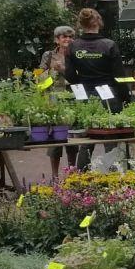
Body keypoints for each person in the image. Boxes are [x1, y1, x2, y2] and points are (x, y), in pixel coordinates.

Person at [66, 8, 123, 168]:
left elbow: (70, 76)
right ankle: (113, 174)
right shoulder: (109, 45)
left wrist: (83, 83)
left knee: (86, 140)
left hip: (85, 96)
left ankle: (81, 175)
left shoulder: (73, 47)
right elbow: (119, 76)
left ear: (81, 24)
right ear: (98, 22)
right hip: (108, 96)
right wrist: (124, 98)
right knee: (110, 138)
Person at [37, 25, 76, 179]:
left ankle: (72, 175)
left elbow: (78, 75)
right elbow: (40, 78)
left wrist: (63, 70)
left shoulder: (76, 54)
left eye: (70, 37)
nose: (68, 39)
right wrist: (52, 71)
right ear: (57, 40)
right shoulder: (48, 55)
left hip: (72, 98)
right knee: (55, 138)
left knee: (72, 138)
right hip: (54, 100)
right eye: (64, 37)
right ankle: (55, 176)